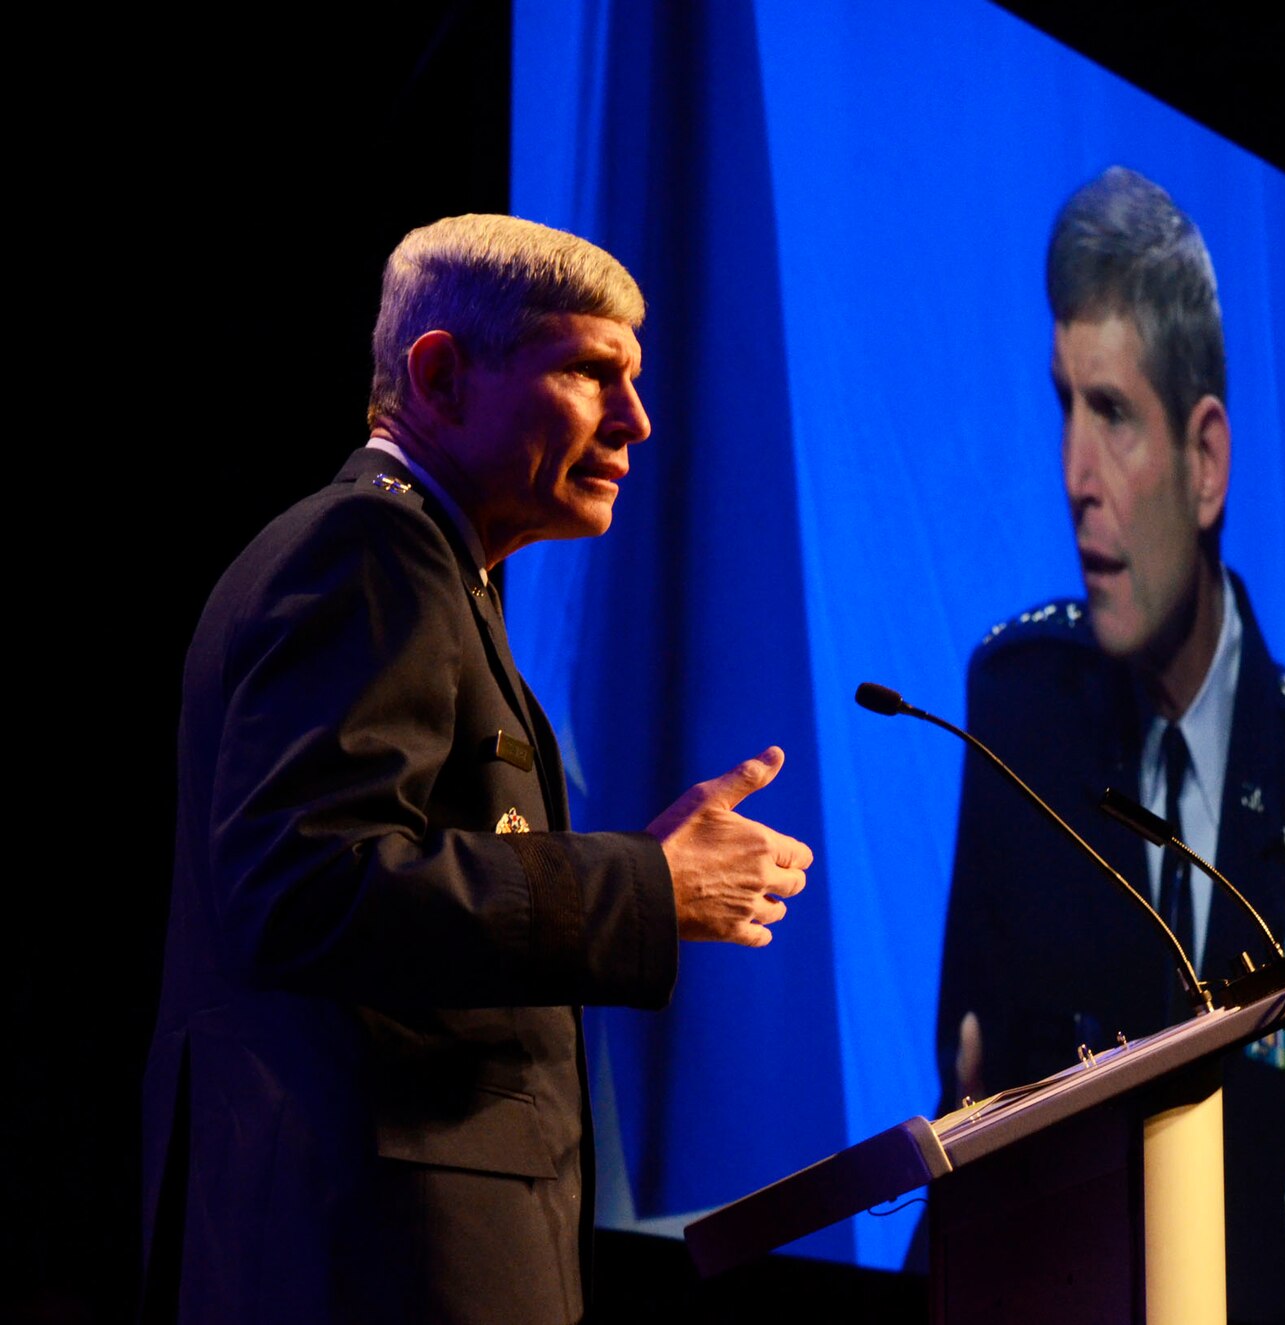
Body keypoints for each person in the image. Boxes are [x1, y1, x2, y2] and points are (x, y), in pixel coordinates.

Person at [140, 214, 812, 1324]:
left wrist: (638, 869)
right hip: (372, 1257)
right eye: (593, 373)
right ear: (441, 374)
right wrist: (643, 885)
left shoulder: (432, 570)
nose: (637, 421)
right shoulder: (368, 550)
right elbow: (305, 884)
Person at [933, 169, 1285, 1322]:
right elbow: (966, 1077)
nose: (1075, 476)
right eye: (1062, 405)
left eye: (1113, 415)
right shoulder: (1018, 709)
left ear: (1206, 459)